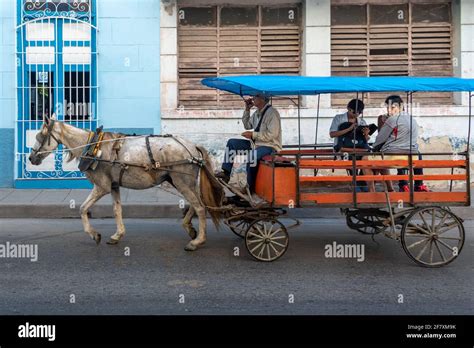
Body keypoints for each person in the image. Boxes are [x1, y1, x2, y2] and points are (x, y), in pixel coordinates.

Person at [216, 94, 282, 193]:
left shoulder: (272, 113)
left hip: (270, 146)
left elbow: (272, 134)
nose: (252, 99)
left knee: (251, 157)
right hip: (256, 145)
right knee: (232, 143)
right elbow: (247, 125)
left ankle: (250, 188)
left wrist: (253, 135)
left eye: (255, 97)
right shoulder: (257, 113)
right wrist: (247, 109)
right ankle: (226, 172)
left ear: (262, 99)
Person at [366, 95, 428, 192]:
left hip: (393, 155)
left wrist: (373, 148)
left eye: (392, 107)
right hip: (412, 155)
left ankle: (371, 191)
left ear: (401, 106)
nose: (389, 110)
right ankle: (415, 185)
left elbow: (380, 138)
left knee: (365, 159)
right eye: (388, 107)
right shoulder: (412, 119)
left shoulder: (392, 119)